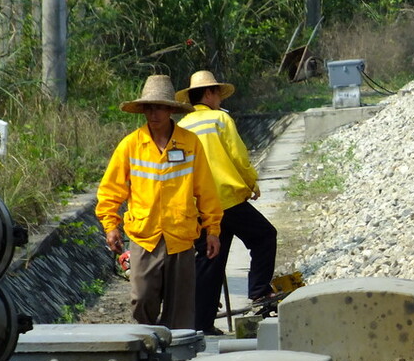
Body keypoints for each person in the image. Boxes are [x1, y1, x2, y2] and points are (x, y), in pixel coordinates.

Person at [96, 74, 222, 329]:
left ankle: (176, 360)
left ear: (170, 109)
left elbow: (205, 189)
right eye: (149, 108)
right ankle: (147, 348)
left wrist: (213, 230)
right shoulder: (131, 145)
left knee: (181, 310)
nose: (154, 114)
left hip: (181, 235)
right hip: (145, 236)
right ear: (143, 110)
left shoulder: (189, 143)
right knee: (142, 299)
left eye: (160, 107)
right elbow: (110, 191)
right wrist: (111, 226)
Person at [176, 69, 278, 334]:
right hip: (227, 199)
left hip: (199, 205)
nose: (220, 98)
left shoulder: (182, 126)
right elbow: (238, 156)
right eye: (217, 93)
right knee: (264, 236)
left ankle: (202, 323)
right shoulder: (220, 120)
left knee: (211, 260)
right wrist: (251, 183)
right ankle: (259, 292)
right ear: (208, 93)